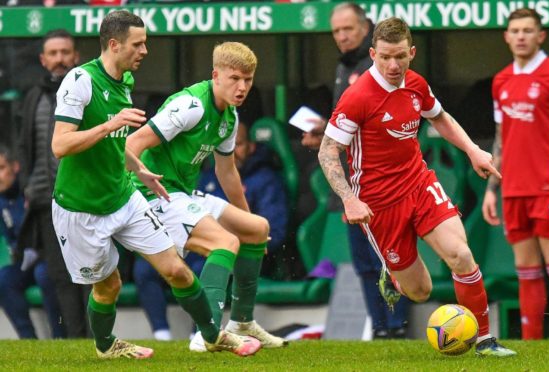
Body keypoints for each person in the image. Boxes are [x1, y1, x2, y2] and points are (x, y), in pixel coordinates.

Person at [51, 10, 260, 359]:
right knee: (109, 286)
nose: (145, 50)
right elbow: (61, 145)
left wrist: (138, 169)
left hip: (123, 196)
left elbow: (118, 144)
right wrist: (110, 124)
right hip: (80, 208)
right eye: (139, 44)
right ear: (115, 44)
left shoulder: (125, 81)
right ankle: (106, 346)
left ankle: (212, 336)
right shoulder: (80, 80)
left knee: (176, 270)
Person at [318, 17, 517, 357]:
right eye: (384, 58)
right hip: (378, 202)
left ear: (411, 52)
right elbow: (327, 150)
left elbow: (438, 116)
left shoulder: (416, 84)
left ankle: (484, 340)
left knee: (461, 254)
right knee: (420, 291)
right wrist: (349, 199)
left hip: (418, 182)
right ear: (372, 54)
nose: (393, 65)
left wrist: (472, 150)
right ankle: (393, 277)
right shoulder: (358, 97)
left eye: (399, 56)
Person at [125, 41, 287, 351]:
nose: (242, 87)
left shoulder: (229, 118)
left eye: (248, 80)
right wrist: (140, 179)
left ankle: (241, 321)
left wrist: (247, 219)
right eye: (235, 78)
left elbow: (228, 174)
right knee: (225, 242)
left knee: (257, 230)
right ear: (216, 75)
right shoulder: (191, 106)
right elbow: (132, 144)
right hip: (154, 194)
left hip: (182, 192)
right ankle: (207, 334)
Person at [301, 2, 410, 339]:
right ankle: (379, 327)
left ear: (365, 27)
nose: (342, 36)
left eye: (348, 29)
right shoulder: (344, 66)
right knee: (363, 260)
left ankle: (398, 324)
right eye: (336, 31)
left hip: (382, 177)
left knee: (391, 255)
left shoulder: (379, 63)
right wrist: (326, 134)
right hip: (351, 182)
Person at [482, 8, 549, 340]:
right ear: (506, 36)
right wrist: (491, 188)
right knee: (526, 271)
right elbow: (502, 136)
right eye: (515, 30)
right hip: (512, 188)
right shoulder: (501, 80)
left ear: (541, 36)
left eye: (528, 30)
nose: (521, 36)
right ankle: (533, 346)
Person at [16, 29, 91, 339]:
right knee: (60, 275)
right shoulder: (33, 95)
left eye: (65, 52)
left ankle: (99, 337)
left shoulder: (89, 90)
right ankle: (75, 341)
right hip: (46, 200)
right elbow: (24, 146)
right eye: (54, 53)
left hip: (85, 199)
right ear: (43, 59)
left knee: (91, 272)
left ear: (75, 56)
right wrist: (27, 187)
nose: (60, 59)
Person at [0, 145, 65, 339]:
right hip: (25, 261)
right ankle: (28, 339)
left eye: (2, 168)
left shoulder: (31, 192)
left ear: (15, 167)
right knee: (4, 279)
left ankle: (60, 336)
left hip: (50, 257)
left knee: (44, 273)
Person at [198, 120, 288, 256]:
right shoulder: (208, 177)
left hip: (239, 256)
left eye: (237, 144)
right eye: (225, 145)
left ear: (251, 147)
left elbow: (273, 233)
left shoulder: (265, 179)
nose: (231, 152)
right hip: (201, 248)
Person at [133, 252, 205, 341]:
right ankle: (162, 336)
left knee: (203, 269)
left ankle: (200, 333)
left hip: (197, 254)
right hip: (163, 253)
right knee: (143, 269)